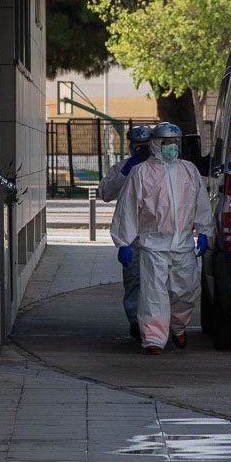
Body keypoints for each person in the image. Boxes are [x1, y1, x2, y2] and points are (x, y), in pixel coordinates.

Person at [110, 122, 213, 354]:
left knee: (185, 291)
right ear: (156, 144)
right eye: (167, 143)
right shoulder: (141, 172)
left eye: (175, 143)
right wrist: (124, 242)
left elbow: (201, 203)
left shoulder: (188, 170)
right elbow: (127, 208)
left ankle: (178, 326)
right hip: (152, 244)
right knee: (153, 293)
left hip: (183, 243)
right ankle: (154, 338)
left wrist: (204, 231)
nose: (171, 147)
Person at [98, 125, 154, 340]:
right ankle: (136, 323)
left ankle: (158, 322)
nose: (141, 151)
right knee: (134, 281)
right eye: (137, 146)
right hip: (132, 236)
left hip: (157, 234)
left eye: (145, 146)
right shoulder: (121, 168)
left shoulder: (161, 169)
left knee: (160, 282)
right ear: (130, 147)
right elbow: (105, 193)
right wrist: (125, 172)